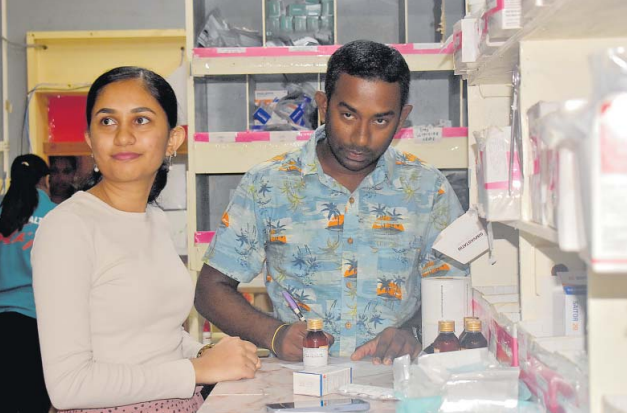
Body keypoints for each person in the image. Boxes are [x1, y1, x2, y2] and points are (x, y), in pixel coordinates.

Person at [195, 40, 469, 365]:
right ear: (324, 106)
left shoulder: (429, 189)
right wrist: (274, 334)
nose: (361, 138)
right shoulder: (268, 184)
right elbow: (210, 289)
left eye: (380, 121)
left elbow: (453, 289)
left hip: (397, 378)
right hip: (300, 380)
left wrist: (412, 331)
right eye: (348, 115)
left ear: (402, 118)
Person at [32, 66, 261, 413]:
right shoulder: (67, 228)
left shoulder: (154, 219)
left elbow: (155, 333)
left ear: (173, 140)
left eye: (140, 120)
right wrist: (197, 370)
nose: (123, 136)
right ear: (90, 140)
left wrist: (202, 352)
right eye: (107, 121)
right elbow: (69, 386)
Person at [0, 154, 55, 413]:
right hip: (36, 321)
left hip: (3, 321)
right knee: (32, 400)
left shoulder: (3, 211)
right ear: (45, 180)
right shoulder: (55, 216)